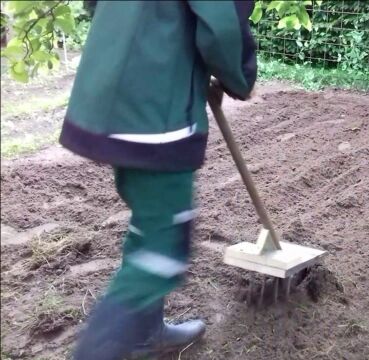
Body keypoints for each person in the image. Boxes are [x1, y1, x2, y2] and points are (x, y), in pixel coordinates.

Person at [58, 1, 257, 359]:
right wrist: (239, 78)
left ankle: (145, 334)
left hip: (107, 99)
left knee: (148, 224)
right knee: (161, 250)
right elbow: (221, 23)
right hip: (154, 113)